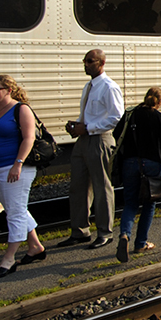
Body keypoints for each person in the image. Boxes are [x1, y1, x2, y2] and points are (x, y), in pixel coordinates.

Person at [0, 75, 46, 278]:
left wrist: (17, 164)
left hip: (16, 168)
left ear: (8, 90)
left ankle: (8, 259)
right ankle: (35, 246)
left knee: (15, 213)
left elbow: (29, 138)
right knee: (15, 209)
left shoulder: (21, 109)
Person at [60, 49, 124, 249]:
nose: (85, 64)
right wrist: (77, 125)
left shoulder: (108, 87)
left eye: (90, 61)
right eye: (84, 61)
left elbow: (116, 117)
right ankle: (79, 231)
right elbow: (91, 115)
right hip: (84, 140)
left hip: (99, 140)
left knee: (101, 186)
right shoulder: (88, 86)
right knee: (78, 187)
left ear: (101, 63)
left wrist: (87, 127)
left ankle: (105, 232)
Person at [113, 87, 161, 262]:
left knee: (130, 202)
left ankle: (124, 234)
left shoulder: (131, 114)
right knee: (150, 202)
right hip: (153, 164)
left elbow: (117, 135)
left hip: (130, 163)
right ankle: (141, 243)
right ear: (160, 102)